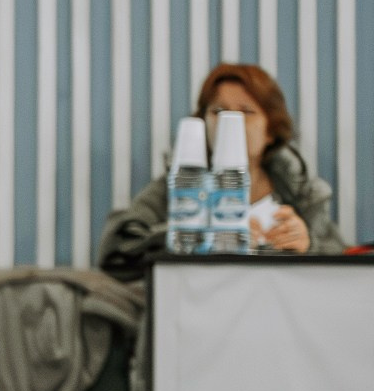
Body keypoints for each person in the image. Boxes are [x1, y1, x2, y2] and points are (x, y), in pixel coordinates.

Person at [99, 63, 346, 280]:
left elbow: (346, 261)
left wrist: (308, 244)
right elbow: (117, 249)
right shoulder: (178, 188)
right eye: (218, 111)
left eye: (246, 111)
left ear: (271, 129)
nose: (230, 120)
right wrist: (197, 234)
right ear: (202, 122)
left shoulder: (302, 194)